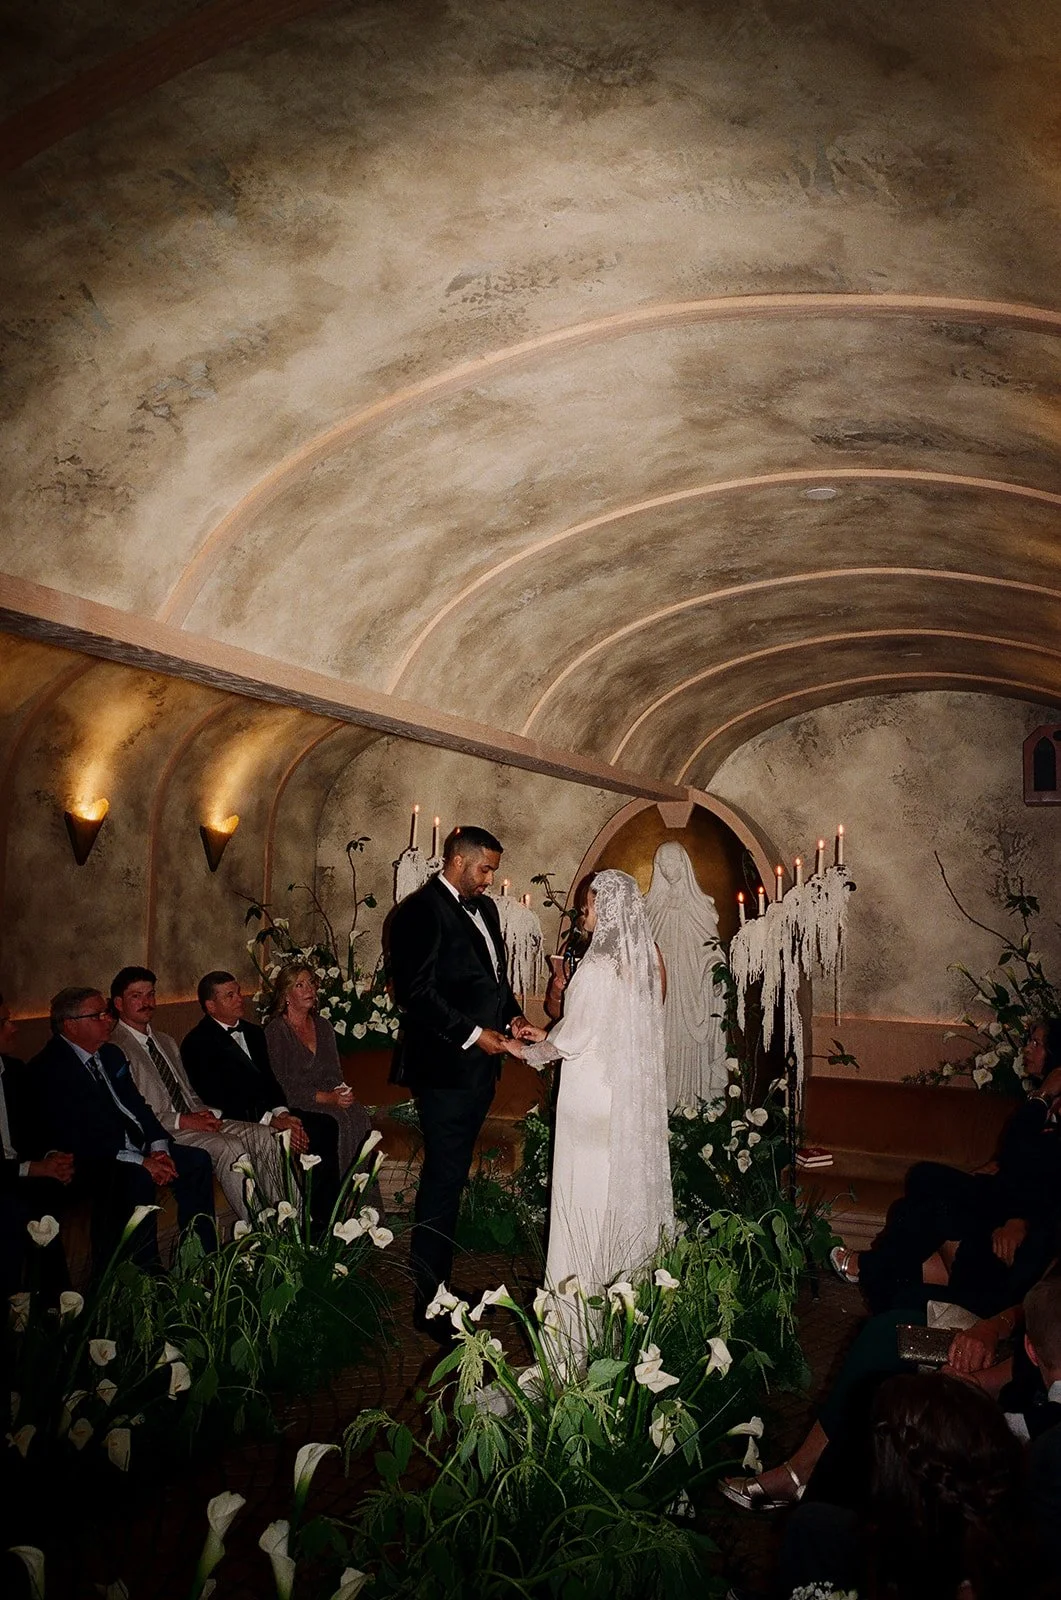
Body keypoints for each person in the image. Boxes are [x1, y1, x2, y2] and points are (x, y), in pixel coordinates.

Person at [388, 825, 540, 1336]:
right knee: (442, 1182)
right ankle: (429, 1303)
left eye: (493, 869)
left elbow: (493, 981)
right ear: (456, 860)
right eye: (485, 868)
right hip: (445, 1070)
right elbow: (417, 994)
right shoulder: (417, 911)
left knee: (451, 1181)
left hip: (478, 1068)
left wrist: (514, 1019)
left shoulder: (488, 909)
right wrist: (476, 1035)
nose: (491, 879)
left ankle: (444, 1291)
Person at [522, 869, 673, 1331]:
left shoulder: (597, 966)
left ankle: (574, 1329)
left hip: (588, 1104)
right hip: (624, 1100)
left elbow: (576, 1037)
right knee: (613, 1201)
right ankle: (621, 1317)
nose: (583, 913)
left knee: (582, 1205)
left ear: (604, 908)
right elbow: (621, 1028)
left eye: (588, 905)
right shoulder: (648, 959)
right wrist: (550, 1032)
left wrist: (527, 1048)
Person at [829, 1019, 1061, 1317]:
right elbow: (1023, 1158)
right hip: (1005, 1197)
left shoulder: (1048, 1102)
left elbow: (1044, 1174)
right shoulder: (1046, 1103)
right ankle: (880, 1284)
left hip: (1022, 1218)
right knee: (921, 1187)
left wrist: (1021, 1219)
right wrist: (1001, 1165)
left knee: (929, 1208)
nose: (1027, 1048)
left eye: (1037, 1044)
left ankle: (868, 1268)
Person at [29, 987, 215, 1273]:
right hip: (97, 1158)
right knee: (136, 1177)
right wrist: (143, 1161)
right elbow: (77, 1137)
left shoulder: (111, 1054)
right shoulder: (49, 1068)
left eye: (107, 1013)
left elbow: (139, 1107)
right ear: (70, 1025)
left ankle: (200, 1262)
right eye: (98, 1015)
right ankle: (147, 1274)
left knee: (197, 1160)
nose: (108, 1020)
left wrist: (158, 1147)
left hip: (137, 1146)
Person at [110, 966, 281, 1224]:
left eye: (150, 994)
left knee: (266, 1136)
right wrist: (184, 1120)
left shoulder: (165, 1041)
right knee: (230, 1146)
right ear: (118, 1003)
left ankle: (293, 1225)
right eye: (137, 996)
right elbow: (131, 1112)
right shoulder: (114, 1047)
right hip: (163, 1130)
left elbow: (188, 1092)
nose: (146, 1002)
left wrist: (206, 1114)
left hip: (193, 1119)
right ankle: (262, 1231)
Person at [180, 971, 340, 1221]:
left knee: (324, 1126)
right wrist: (271, 1120)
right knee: (284, 1136)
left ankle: (323, 1222)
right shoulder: (196, 1043)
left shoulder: (254, 1033)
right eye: (229, 996)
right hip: (240, 1118)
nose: (239, 999)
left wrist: (284, 1114)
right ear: (210, 1006)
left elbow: (271, 1080)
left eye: (238, 992)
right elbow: (218, 1098)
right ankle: (291, 1223)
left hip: (271, 1112)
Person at [264, 963, 374, 1177]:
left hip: (329, 1096)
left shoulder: (323, 1026)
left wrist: (341, 1091)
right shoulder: (276, 1031)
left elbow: (335, 1073)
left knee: (359, 1115)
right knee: (337, 1121)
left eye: (311, 984)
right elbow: (280, 1084)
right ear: (286, 994)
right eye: (300, 985)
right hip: (296, 1102)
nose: (309, 990)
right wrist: (327, 1098)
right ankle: (337, 1198)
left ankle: (360, 1193)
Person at [644, 840, 728, 1107]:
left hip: (691, 992)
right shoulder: (651, 908)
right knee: (662, 1047)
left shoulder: (700, 907)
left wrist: (715, 973)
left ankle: (691, 1108)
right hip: (661, 992)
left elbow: (712, 949)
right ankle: (663, 1110)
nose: (668, 869)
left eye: (673, 862)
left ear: (684, 864)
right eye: (663, 863)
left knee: (689, 1047)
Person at [0, 992, 73, 1296]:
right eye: (4, 1022)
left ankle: (55, 1306)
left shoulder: (14, 1070)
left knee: (56, 1189)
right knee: (15, 1209)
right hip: (7, 1176)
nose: (14, 1028)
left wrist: (51, 1155)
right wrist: (32, 1167)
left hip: (20, 1170)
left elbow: (35, 1126)